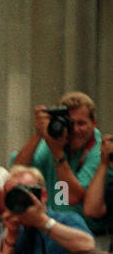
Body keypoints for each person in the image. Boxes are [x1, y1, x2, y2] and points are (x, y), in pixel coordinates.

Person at [11, 92, 103, 224]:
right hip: (52, 229)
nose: (76, 130)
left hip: (88, 234)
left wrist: (58, 154)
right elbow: (17, 171)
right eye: (71, 124)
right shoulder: (55, 140)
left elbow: (70, 197)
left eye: (82, 123)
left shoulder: (99, 151)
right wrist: (39, 134)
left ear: (94, 123)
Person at [2, 165, 95, 254]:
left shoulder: (66, 219)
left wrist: (42, 222)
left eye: (24, 193)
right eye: (14, 195)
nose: (20, 200)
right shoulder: (17, 231)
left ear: (43, 195)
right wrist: (11, 235)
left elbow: (88, 246)